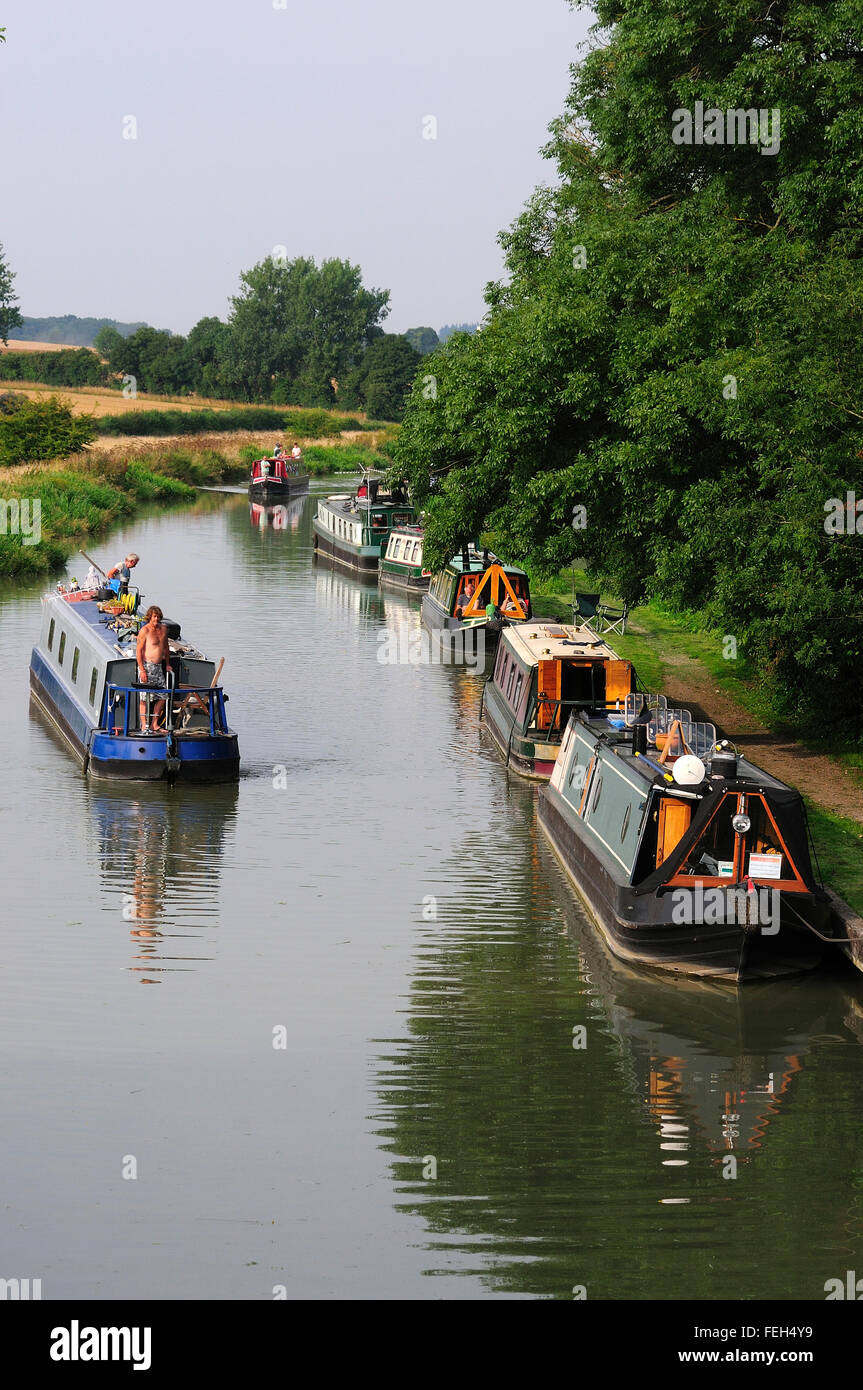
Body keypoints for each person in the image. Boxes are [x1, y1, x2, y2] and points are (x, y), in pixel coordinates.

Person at [136, 605, 170, 734]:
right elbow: (138, 652)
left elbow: (166, 647)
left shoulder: (164, 629)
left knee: (163, 696)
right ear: (150, 617)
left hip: (159, 667)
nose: (156, 619)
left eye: (158, 617)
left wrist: (167, 664)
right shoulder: (145, 631)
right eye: (154, 616)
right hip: (147, 667)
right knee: (144, 698)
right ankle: (144, 725)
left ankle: (154, 724)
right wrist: (142, 670)